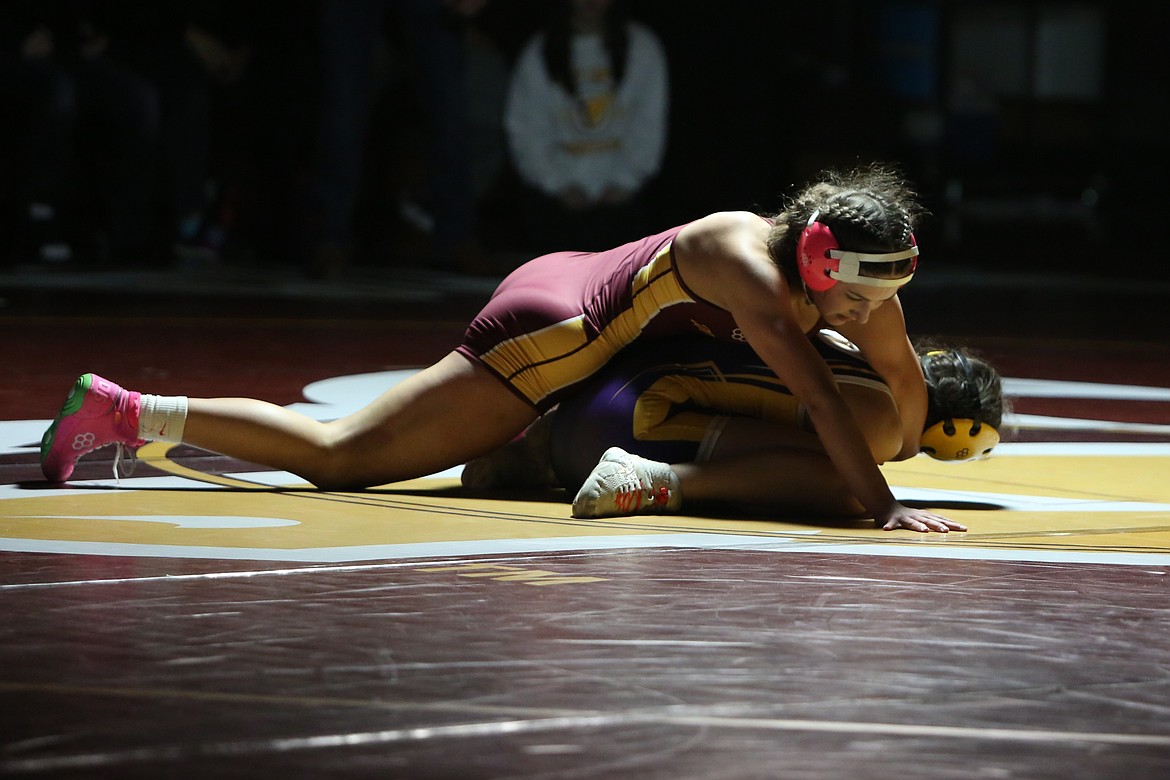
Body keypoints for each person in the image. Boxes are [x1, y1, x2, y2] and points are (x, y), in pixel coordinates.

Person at [39, 164, 957, 532]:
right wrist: (881, 507)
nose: (880, 308)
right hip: (555, 334)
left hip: (580, 290)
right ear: (822, 258)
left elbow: (905, 394)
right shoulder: (749, 265)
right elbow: (828, 401)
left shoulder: (826, 266)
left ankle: (520, 455)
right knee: (343, 458)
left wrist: (902, 383)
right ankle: (123, 411)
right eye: (871, 289)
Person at [462, 332, 1004, 526]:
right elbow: (761, 444)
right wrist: (875, 494)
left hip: (584, 407)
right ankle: (662, 481)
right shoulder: (881, 419)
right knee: (849, 485)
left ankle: (529, 453)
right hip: (627, 432)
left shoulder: (853, 347)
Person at [504, 0, 669, 253]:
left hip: (623, 202)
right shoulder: (539, 50)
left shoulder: (642, 46)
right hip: (556, 203)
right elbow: (526, 127)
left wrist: (625, 181)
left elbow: (649, 123)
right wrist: (557, 183)